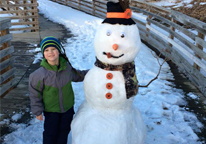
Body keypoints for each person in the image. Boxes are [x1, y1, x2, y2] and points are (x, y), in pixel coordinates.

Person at [29, 36, 88, 144]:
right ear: (43, 54)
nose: (50, 52)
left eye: (53, 49)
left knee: (64, 131)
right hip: (51, 111)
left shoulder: (66, 68)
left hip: (67, 109)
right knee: (51, 133)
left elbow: (78, 76)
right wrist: (37, 111)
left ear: (59, 51)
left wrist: (93, 73)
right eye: (46, 50)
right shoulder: (39, 74)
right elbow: (34, 94)